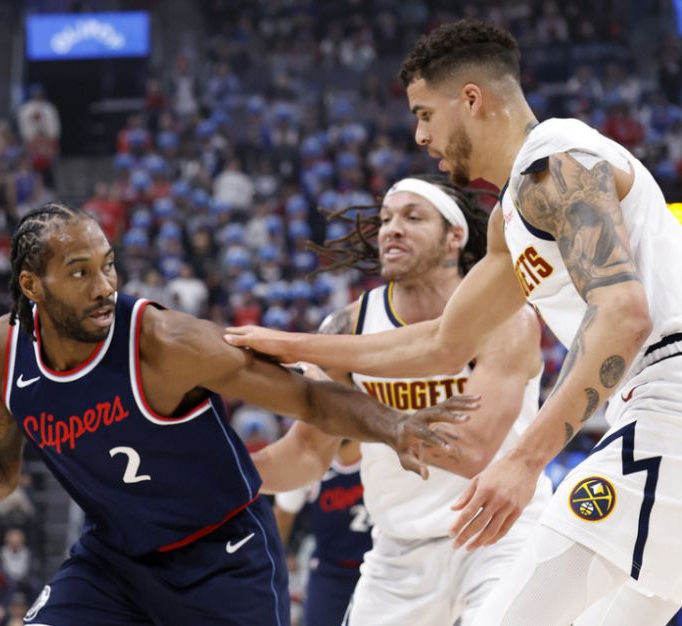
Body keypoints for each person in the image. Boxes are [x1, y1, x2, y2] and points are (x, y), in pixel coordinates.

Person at [225, 18, 682, 626]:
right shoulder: (511, 218)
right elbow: (443, 342)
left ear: (471, 99)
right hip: (646, 408)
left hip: (668, 399)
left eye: (424, 114)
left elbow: (623, 315)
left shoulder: (557, 162)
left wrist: (523, 462)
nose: (419, 135)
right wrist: (289, 344)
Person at [0, 202, 474, 625]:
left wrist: (394, 426)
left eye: (107, 264)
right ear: (31, 286)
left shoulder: (164, 343)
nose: (104, 285)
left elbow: (308, 398)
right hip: (113, 561)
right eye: (79, 272)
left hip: (223, 558)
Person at [253, 176, 550, 625]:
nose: (392, 229)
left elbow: (470, 450)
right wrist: (226, 470)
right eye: (387, 219)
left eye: (413, 217)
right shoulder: (350, 326)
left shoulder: (504, 316)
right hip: (398, 549)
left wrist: (355, 413)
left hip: (501, 535)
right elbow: (308, 453)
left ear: (454, 236)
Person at [273, 440, 372, 626]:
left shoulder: (381, 454)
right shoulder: (311, 463)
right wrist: (274, 565)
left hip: (378, 567)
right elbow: (283, 514)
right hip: (330, 571)